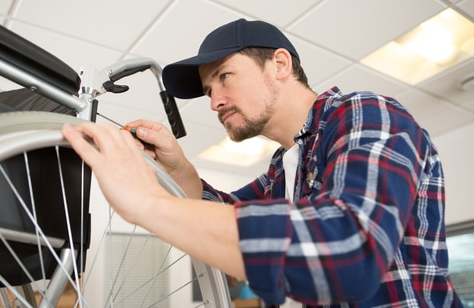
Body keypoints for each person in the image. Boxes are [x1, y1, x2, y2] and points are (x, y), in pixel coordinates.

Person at [62, 18, 463, 307]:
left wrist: (146, 202)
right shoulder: (284, 166)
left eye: (224, 76)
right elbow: (224, 217)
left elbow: (350, 252)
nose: (214, 101)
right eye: (207, 90)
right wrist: (180, 170)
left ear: (281, 65)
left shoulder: (365, 112)